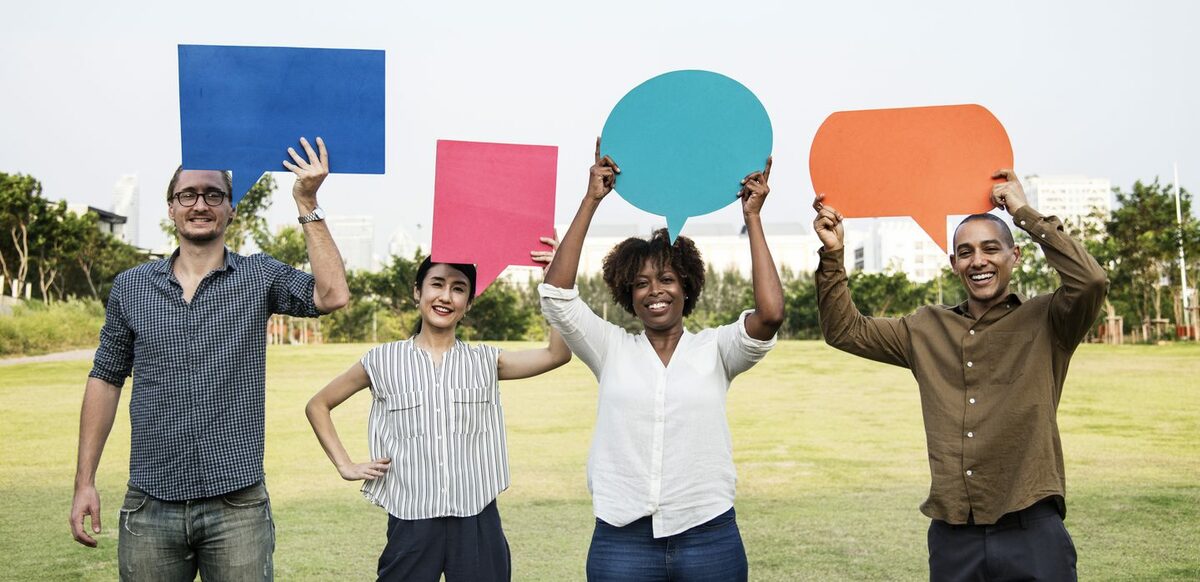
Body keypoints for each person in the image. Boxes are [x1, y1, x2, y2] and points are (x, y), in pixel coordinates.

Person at [69, 137, 350, 581]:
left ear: (231, 209)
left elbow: (332, 295)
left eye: (213, 195)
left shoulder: (260, 276)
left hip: (236, 505)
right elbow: (105, 380)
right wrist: (84, 481)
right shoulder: (131, 287)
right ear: (171, 208)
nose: (200, 204)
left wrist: (307, 201)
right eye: (188, 195)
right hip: (150, 503)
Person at [812, 169, 1108, 581]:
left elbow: (1091, 280)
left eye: (991, 249)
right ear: (954, 264)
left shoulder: (1050, 320)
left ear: (1014, 257)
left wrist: (1022, 212)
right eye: (965, 252)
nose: (978, 261)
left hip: (1032, 530)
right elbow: (845, 331)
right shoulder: (924, 328)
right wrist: (832, 254)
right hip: (954, 537)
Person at [539, 139, 784, 581]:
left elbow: (770, 315)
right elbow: (557, 296)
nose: (655, 291)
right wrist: (591, 199)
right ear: (627, 296)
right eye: (640, 283)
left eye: (667, 279)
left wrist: (752, 218)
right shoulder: (610, 348)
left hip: (708, 535)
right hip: (622, 539)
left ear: (686, 287)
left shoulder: (716, 350)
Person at [305, 242, 571, 582]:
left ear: (469, 303)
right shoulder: (382, 361)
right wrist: (345, 464)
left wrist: (554, 282)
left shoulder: (487, 361)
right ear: (418, 292)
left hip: (477, 520)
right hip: (411, 521)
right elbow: (318, 405)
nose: (446, 296)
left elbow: (557, 354)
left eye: (458, 289)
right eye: (437, 284)